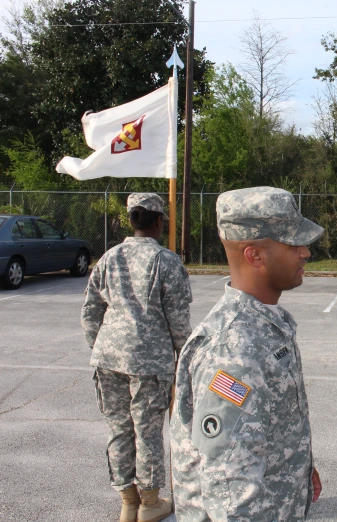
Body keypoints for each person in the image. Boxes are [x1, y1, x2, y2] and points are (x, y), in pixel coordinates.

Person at [170, 186, 324, 521]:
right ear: (254, 255)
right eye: (293, 243)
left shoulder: (263, 323)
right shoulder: (233, 350)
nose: (305, 253)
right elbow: (230, 493)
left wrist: (298, 468)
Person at [82, 192, 192, 522]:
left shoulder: (109, 258)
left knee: (119, 428)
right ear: (159, 222)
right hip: (149, 360)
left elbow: (90, 312)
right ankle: (149, 502)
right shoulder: (167, 262)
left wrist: (101, 345)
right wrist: (183, 359)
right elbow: (179, 321)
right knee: (147, 431)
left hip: (108, 357)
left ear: (131, 220)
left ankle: (127, 501)